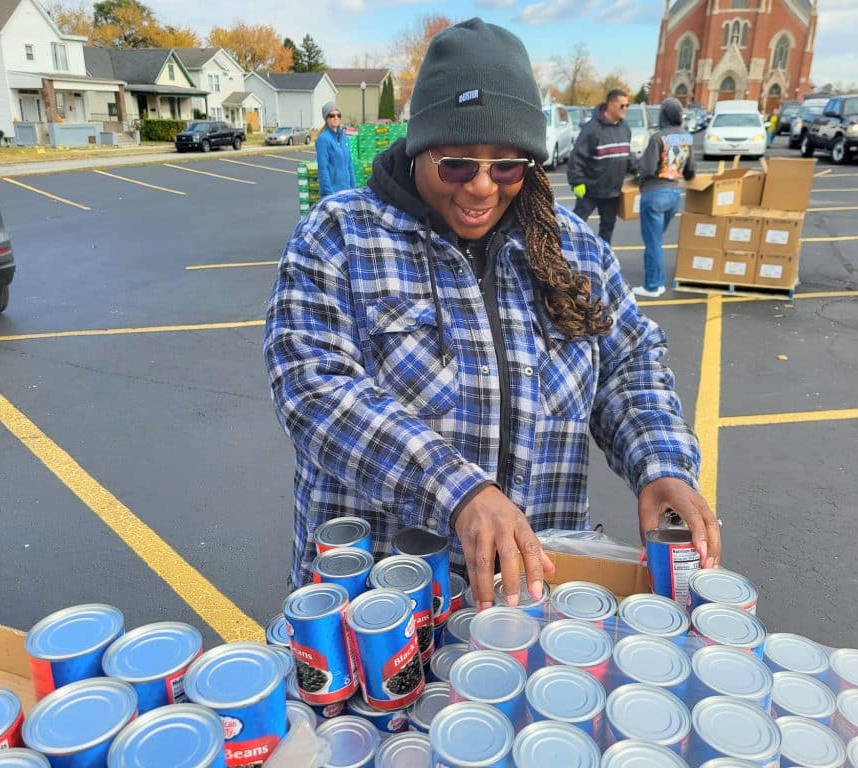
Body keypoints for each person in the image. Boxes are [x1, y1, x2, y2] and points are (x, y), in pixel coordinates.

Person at [265, 19, 720, 610]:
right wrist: (458, 491)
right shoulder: (338, 236)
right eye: (457, 164)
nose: (482, 187)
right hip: (383, 602)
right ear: (419, 145)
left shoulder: (573, 249)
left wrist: (661, 462)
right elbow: (312, 387)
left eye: (507, 166)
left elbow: (628, 365)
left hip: (530, 597)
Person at [633, 98, 695, 297]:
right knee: (657, 240)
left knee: (652, 242)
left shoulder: (657, 138)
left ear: (663, 115)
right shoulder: (686, 138)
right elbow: (690, 171)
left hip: (654, 194)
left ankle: (653, 286)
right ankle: (657, 281)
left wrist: (635, 165)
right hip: (674, 194)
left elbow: (648, 168)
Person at [566, 89, 633, 245]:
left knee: (607, 228)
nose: (625, 109)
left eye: (627, 105)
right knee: (576, 224)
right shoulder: (592, 129)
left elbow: (626, 156)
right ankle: (567, 252)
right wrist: (577, 182)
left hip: (612, 193)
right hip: (590, 190)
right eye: (622, 105)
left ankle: (603, 256)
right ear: (610, 104)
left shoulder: (625, 129)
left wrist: (638, 170)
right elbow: (577, 157)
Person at [315, 102, 356, 197]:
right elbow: (323, 169)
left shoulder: (344, 138)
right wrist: (330, 194)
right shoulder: (323, 139)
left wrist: (354, 188)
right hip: (333, 192)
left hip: (346, 191)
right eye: (332, 115)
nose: (336, 117)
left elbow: (349, 165)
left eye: (338, 115)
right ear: (326, 118)